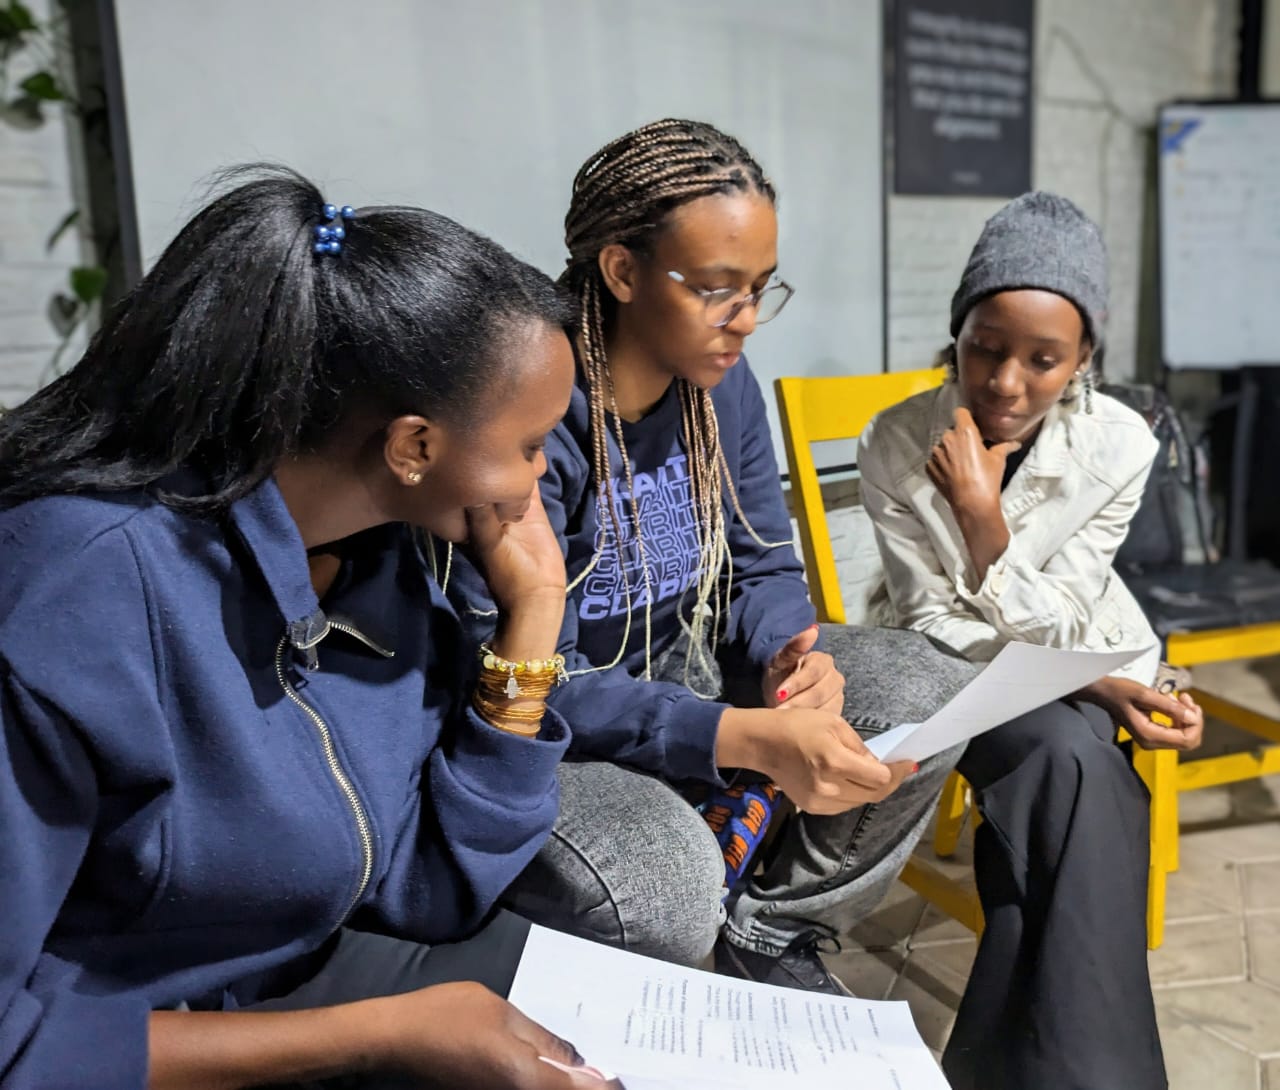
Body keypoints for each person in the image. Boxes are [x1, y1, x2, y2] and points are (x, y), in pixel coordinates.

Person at [0, 166, 622, 1090]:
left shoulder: (377, 559)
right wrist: (377, 1035)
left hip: (289, 992)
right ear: (413, 446)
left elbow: (428, 886)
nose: (540, 479)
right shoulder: (73, 593)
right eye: (530, 447)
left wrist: (533, 622)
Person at [442, 118, 980, 996]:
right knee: (663, 881)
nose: (748, 320)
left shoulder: (719, 386)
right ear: (622, 271)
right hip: (558, 728)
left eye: (762, 288)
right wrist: (732, 734)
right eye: (718, 290)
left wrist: (788, 657)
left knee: (928, 688)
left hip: (690, 676)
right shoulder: (535, 408)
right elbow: (531, 685)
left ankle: (771, 931)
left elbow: (764, 564)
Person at [858, 191, 1205, 1090]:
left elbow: (1073, 612)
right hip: (948, 673)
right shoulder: (898, 441)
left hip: (1077, 653)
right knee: (1082, 762)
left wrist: (987, 532)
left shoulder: (1120, 445)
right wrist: (1095, 685)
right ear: (957, 335)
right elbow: (931, 621)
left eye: (1044, 360)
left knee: (1068, 759)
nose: (1006, 383)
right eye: (986, 347)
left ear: (1083, 360)